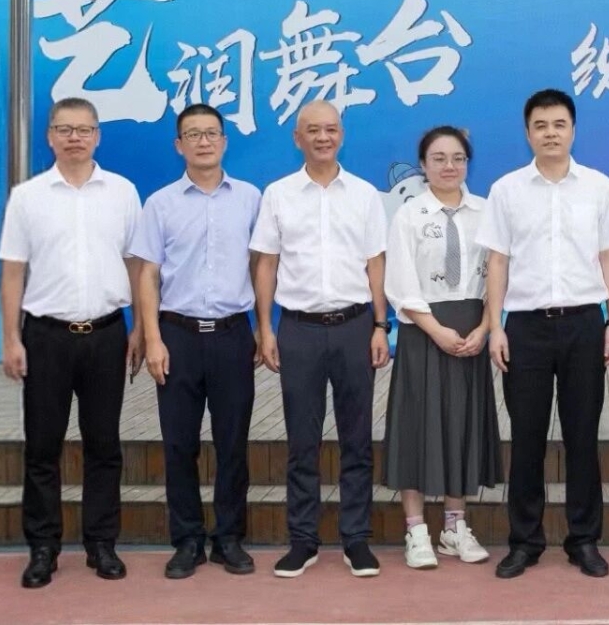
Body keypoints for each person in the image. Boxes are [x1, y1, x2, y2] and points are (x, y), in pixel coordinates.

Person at [476, 88, 609, 580]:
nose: (550, 133)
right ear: (527, 133)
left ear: (573, 129)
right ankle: (524, 542)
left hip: (585, 323)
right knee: (526, 438)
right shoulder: (506, 190)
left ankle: (583, 540)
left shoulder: (599, 188)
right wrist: (495, 327)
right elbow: (496, 262)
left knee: (582, 436)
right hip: (525, 327)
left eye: (559, 124)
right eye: (540, 125)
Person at [0, 97, 143, 588]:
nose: (75, 137)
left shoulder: (122, 192)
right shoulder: (28, 197)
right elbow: (12, 272)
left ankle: (101, 544)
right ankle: (43, 548)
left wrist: (141, 327)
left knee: (104, 444)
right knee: (42, 446)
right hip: (46, 337)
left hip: (106, 334)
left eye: (84, 129)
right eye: (65, 129)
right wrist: (11, 338)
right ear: (50, 136)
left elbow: (138, 265)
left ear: (98, 135)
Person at [250, 101, 389, 579]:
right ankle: (303, 540)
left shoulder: (365, 194)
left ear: (341, 135)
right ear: (298, 138)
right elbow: (266, 263)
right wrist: (265, 327)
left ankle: (356, 539)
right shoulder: (278, 194)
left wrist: (380, 325)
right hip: (299, 329)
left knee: (357, 440)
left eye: (330, 129)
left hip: (355, 327)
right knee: (301, 440)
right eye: (313, 130)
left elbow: (376, 263)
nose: (323, 137)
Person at [129, 104, 262, 579]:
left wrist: (263, 330)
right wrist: (152, 337)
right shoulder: (160, 203)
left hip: (232, 335)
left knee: (233, 443)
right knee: (178, 444)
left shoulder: (250, 199)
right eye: (193, 135)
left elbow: (261, 267)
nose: (203, 142)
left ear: (224, 141)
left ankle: (229, 538)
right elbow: (147, 273)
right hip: (177, 336)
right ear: (178, 145)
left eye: (211, 134)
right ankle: (187, 540)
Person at [383, 126, 502, 569]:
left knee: (461, 427)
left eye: (458, 158)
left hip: (472, 332)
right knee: (416, 427)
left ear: (468, 163)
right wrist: (435, 330)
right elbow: (400, 281)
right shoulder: (409, 215)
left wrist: (485, 327)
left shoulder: (487, 213)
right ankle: (416, 531)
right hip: (424, 332)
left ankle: (455, 527)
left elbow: (499, 276)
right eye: (438, 158)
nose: (449, 166)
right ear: (423, 165)